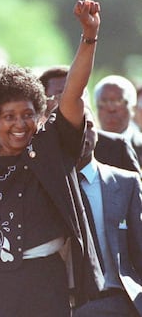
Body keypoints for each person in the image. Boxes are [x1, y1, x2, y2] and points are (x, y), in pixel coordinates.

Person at [0, 0, 101, 317]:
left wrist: (89, 37)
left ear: (40, 115)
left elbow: (73, 93)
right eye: (9, 116)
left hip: (42, 284)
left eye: (27, 115)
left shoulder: (52, 150)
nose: (19, 124)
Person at [73, 107, 142, 316]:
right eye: (74, 129)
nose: (83, 133)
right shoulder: (48, 187)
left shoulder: (126, 182)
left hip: (121, 301)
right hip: (70, 306)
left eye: (90, 126)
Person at [39, 66, 141, 173]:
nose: (71, 102)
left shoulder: (116, 147)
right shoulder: (32, 146)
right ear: (43, 102)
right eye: (62, 96)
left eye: (78, 95)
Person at [93, 75, 142, 165]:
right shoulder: (87, 149)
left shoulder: (139, 145)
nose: (111, 109)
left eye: (119, 101)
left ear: (133, 108)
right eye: (103, 102)